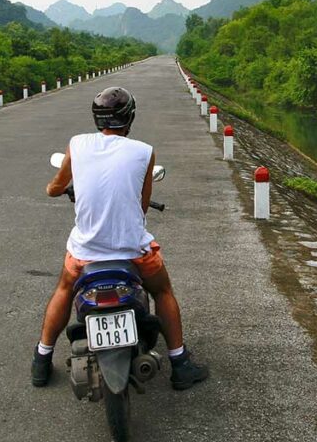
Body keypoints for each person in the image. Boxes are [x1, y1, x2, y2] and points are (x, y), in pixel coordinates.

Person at [31, 86, 209, 391]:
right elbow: (141, 207)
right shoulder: (144, 151)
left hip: (85, 253)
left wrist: (56, 189)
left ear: (97, 117)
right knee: (163, 292)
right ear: (129, 117)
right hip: (133, 252)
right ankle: (180, 364)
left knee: (63, 289)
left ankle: (42, 359)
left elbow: (55, 187)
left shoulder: (77, 144)